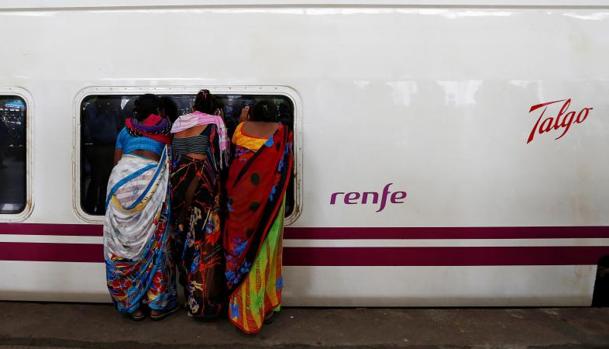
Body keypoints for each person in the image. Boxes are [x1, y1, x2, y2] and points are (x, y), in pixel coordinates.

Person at [103, 94, 177, 321]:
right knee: (155, 244)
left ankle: (131, 305)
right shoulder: (165, 131)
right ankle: (156, 305)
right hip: (151, 184)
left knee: (122, 242)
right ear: (158, 111)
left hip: (121, 183)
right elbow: (170, 163)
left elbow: (117, 162)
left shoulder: (125, 132)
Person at [224, 100, 294, 334]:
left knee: (242, 250)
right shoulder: (283, 133)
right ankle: (265, 305)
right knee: (265, 251)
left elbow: (235, 152)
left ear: (251, 113)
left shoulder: (240, 130)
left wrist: (243, 119)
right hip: (270, 205)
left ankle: (242, 309)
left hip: (241, 201)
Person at [170, 89, 229, 319]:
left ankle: (187, 292)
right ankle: (201, 303)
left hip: (177, 184)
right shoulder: (214, 123)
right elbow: (219, 159)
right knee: (202, 242)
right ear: (214, 107)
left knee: (182, 238)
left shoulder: (178, 123)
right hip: (200, 185)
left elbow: (174, 155)